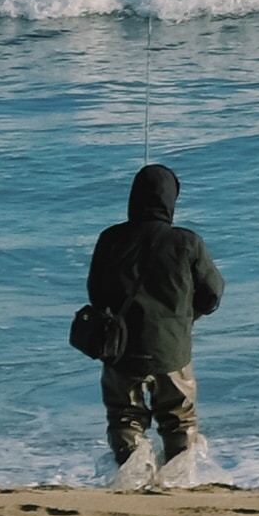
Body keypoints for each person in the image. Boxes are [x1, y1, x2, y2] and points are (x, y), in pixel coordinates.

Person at [85, 161, 225, 490]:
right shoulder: (187, 242)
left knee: (124, 417)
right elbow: (213, 293)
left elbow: (95, 292)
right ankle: (179, 483)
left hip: (120, 350)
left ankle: (131, 480)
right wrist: (185, 318)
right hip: (173, 350)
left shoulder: (110, 238)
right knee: (179, 420)